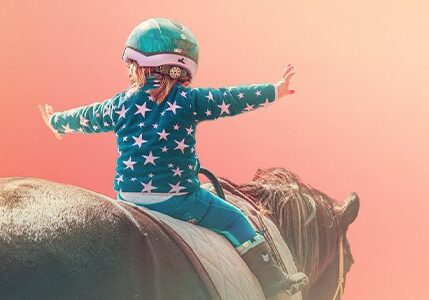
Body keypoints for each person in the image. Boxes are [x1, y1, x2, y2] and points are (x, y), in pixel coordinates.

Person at [39, 17, 308, 297]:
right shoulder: (188, 100)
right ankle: (275, 281)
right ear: (184, 67)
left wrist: (56, 122)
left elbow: (87, 117)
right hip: (178, 198)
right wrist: (274, 91)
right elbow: (231, 98)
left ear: (135, 65)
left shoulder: (119, 104)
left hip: (129, 197)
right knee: (235, 220)